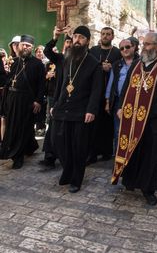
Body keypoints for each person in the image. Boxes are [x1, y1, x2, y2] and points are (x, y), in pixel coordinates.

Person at [111, 32, 157, 205]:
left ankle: (148, 189)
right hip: (133, 117)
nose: (144, 47)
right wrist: (120, 107)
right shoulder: (136, 64)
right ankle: (130, 181)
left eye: (149, 44)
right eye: (144, 44)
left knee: (151, 155)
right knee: (133, 150)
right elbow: (126, 88)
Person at [51, 26, 103, 193]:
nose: (77, 40)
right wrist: (55, 38)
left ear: (87, 40)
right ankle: (67, 172)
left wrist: (91, 110)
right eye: (75, 37)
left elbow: (97, 90)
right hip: (63, 109)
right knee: (60, 144)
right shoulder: (67, 58)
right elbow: (48, 54)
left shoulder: (94, 63)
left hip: (81, 112)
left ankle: (76, 180)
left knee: (78, 147)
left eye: (81, 37)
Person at [0, 35, 45, 169]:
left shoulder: (38, 64)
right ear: (19, 46)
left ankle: (17, 157)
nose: (25, 47)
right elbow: (8, 81)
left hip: (27, 101)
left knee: (22, 127)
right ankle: (30, 147)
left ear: (31, 48)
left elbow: (41, 85)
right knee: (13, 126)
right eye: (23, 44)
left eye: (28, 46)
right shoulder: (14, 62)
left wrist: (38, 101)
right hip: (12, 99)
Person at [39, 28, 72, 170]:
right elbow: (47, 51)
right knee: (52, 128)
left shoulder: (82, 59)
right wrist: (55, 38)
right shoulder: (60, 59)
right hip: (57, 99)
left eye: (72, 42)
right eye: (67, 42)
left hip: (72, 101)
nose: (69, 45)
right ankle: (49, 158)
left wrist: (71, 35)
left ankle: (66, 159)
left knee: (67, 130)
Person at [88, 27, 121, 163]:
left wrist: (111, 68)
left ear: (112, 37)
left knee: (107, 125)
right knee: (93, 124)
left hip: (110, 95)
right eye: (103, 34)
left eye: (108, 34)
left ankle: (106, 152)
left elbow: (120, 68)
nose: (105, 36)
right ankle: (92, 153)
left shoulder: (118, 52)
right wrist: (100, 67)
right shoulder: (93, 51)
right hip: (94, 92)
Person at [105, 38, 138, 152]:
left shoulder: (141, 63)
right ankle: (119, 155)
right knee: (118, 130)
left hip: (137, 101)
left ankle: (133, 154)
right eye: (122, 48)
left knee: (135, 129)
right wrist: (108, 102)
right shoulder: (116, 65)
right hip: (119, 101)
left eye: (127, 47)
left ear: (133, 47)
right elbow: (111, 84)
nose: (125, 50)